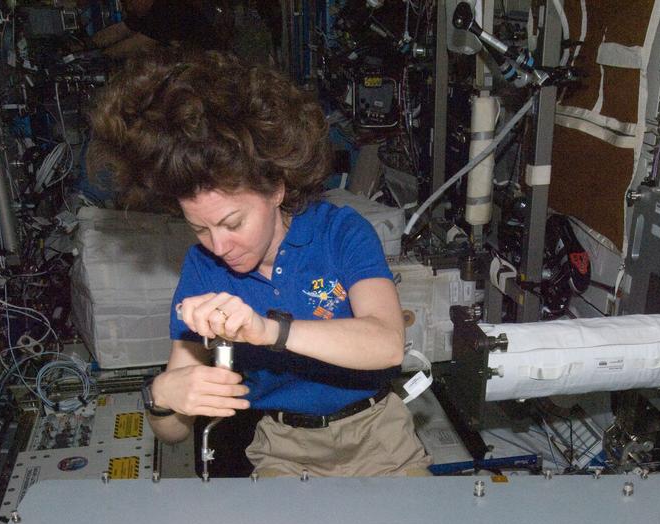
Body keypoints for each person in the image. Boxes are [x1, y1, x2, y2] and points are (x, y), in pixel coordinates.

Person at [90, 52, 432, 477]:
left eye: (233, 223)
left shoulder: (340, 231)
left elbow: (386, 344)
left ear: (276, 189)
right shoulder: (203, 269)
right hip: (283, 448)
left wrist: (267, 330)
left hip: (380, 437)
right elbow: (173, 433)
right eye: (200, 228)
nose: (219, 245)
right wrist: (161, 394)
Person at [89, 0, 225, 60]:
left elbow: (133, 46)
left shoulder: (168, 10)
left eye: (129, 2)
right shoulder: (149, 12)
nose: (128, 8)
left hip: (212, 65)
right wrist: (85, 45)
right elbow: (118, 30)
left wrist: (94, 57)